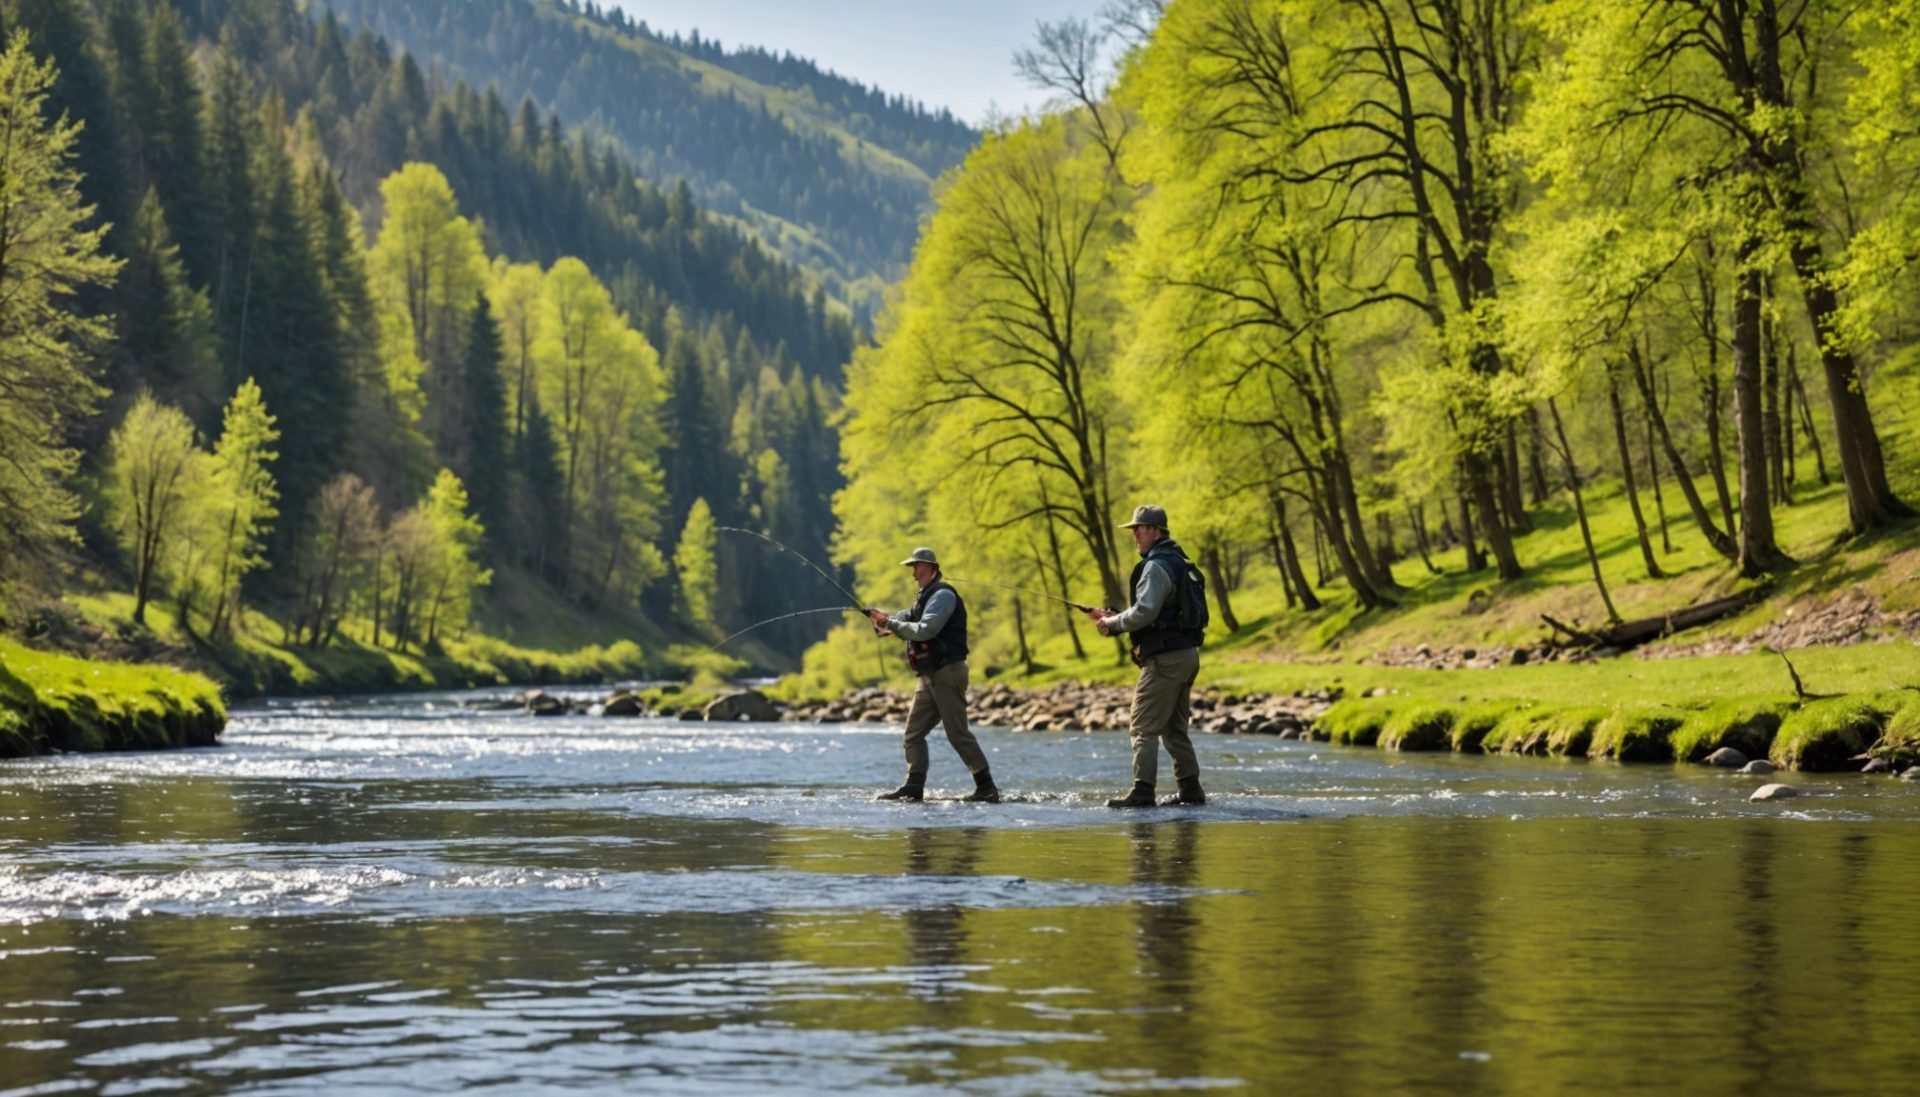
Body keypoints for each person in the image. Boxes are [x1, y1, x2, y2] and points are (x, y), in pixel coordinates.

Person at [1086, 505, 1207, 808]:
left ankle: (1143, 791)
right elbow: (1160, 612)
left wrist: (1112, 624)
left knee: (1142, 727)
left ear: (1155, 530)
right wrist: (1115, 616)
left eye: (1138, 530)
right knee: (1174, 728)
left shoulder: (1156, 566)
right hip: (1186, 655)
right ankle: (1191, 790)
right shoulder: (1180, 561)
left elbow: (1145, 612)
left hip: (1164, 660)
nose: (1135, 536)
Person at [866, 547, 1000, 803]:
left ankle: (986, 787)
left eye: (917, 566)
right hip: (929, 675)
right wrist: (884, 618)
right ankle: (913, 787)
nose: (914, 572)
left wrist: (892, 624)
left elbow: (926, 629)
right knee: (913, 734)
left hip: (948, 672)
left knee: (957, 734)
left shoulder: (943, 596)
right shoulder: (923, 596)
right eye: (913, 567)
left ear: (931, 568)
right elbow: (908, 616)